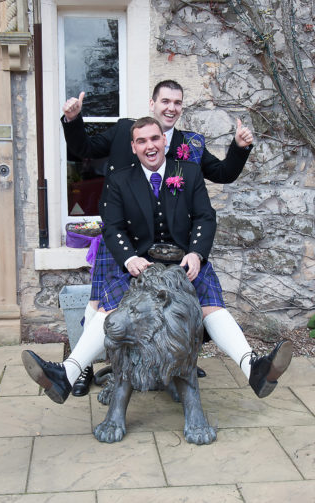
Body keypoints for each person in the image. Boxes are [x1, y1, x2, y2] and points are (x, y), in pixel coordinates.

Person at [23, 117, 291, 403]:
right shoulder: (120, 179)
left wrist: (197, 253)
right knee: (111, 309)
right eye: (142, 141)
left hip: (183, 264)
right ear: (134, 147)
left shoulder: (188, 172)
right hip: (140, 264)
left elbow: (204, 216)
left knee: (211, 305)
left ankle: (254, 368)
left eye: (154, 139)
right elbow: (112, 227)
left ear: (164, 140)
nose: (149, 146)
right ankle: (66, 375)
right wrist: (128, 259)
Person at [60, 80, 256, 395]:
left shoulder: (189, 144)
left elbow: (221, 174)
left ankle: (177, 363)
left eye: (177, 103)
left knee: (181, 304)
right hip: (123, 235)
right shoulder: (127, 130)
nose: (171, 108)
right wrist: (73, 120)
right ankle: (80, 367)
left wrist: (239, 147)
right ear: (152, 104)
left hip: (169, 245)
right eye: (165, 101)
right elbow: (85, 149)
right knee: (100, 304)